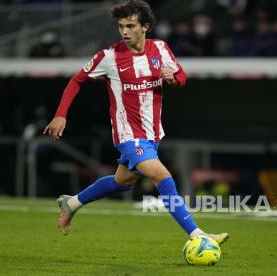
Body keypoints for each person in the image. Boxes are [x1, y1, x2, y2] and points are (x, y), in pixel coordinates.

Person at [43, 0, 228, 245]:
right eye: (121, 26)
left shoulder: (160, 49)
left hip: (152, 134)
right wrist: (60, 114)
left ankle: (72, 202)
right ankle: (199, 235)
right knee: (164, 178)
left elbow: (181, 76)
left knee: (123, 182)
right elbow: (77, 79)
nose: (125, 32)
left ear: (145, 26)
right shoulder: (109, 57)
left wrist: (173, 79)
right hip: (128, 135)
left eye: (130, 26)